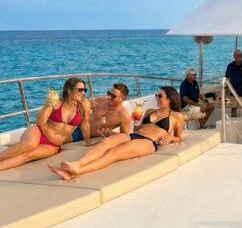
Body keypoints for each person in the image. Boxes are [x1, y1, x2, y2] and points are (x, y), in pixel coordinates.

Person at [49, 86, 184, 181]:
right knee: (106, 142)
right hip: (133, 135)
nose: (157, 98)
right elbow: (137, 130)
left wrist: (172, 137)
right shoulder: (149, 111)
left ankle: (78, 171)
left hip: (149, 142)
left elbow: (179, 137)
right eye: (156, 95)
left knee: (113, 153)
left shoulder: (176, 116)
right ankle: (77, 164)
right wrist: (137, 122)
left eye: (160, 96)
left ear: (170, 98)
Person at [0, 78, 91, 171]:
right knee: (30, 144)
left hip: (53, 145)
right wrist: (47, 106)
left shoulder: (84, 105)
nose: (83, 93)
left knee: (27, 155)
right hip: (39, 132)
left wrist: (88, 144)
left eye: (85, 90)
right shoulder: (57, 102)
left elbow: (85, 124)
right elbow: (39, 122)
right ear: (69, 90)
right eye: (80, 90)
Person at [225, 49, 242, 117]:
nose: (237, 57)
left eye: (239, 55)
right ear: (234, 56)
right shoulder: (230, 66)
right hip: (233, 93)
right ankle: (233, 121)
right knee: (233, 109)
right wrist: (228, 88)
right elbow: (226, 78)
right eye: (236, 55)